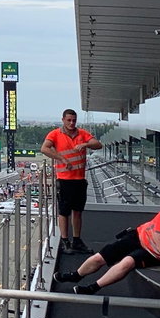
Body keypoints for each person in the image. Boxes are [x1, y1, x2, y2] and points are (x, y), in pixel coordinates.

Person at [55, 209, 160, 294]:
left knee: (128, 262)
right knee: (100, 257)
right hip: (138, 237)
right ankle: (76, 275)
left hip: (152, 254)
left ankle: (93, 287)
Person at [43, 108, 101, 254]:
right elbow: (44, 148)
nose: (71, 123)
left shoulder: (82, 134)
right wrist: (62, 159)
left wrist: (85, 144)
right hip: (64, 180)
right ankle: (65, 241)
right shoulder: (55, 134)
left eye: (74, 120)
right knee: (64, 212)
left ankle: (76, 240)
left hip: (79, 179)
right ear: (63, 120)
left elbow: (98, 144)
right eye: (68, 120)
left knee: (78, 211)